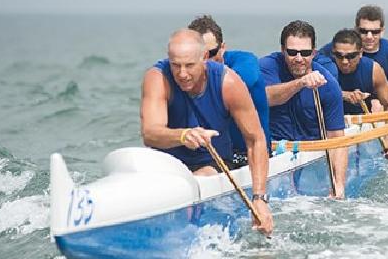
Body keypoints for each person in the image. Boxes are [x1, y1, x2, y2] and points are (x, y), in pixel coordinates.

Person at [140, 29, 273, 234]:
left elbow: (255, 140)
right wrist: (183, 135)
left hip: (212, 163)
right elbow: (150, 133)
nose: (182, 74)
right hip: (167, 165)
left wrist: (259, 198)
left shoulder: (228, 83)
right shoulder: (157, 78)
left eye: (189, 65)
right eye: (176, 65)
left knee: (202, 174)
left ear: (204, 58)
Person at [259, 20, 348, 197]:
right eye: (292, 52)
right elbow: (265, 97)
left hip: (309, 155)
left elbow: (337, 140)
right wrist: (300, 83)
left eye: (305, 53)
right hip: (275, 151)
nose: (298, 58)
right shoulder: (268, 66)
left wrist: (338, 184)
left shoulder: (328, 85)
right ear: (283, 50)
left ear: (314, 53)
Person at [187, 15, 271, 158]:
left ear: (223, 48)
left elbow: (245, 79)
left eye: (211, 53)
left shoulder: (245, 60)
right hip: (210, 156)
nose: (205, 61)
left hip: (249, 155)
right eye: (199, 55)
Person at [320, 5, 388, 102]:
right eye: (364, 31)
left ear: (382, 31)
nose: (369, 36)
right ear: (356, 29)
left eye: (375, 32)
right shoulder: (336, 49)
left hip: (383, 111)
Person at [330, 28, 388, 159]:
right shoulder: (325, 68)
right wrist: (344, 95)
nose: (344, 61)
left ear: (360, 53)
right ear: (333, 53)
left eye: (350, 56)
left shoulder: (373, 70)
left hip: (360, 118)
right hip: (332, 123)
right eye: (339, 56)